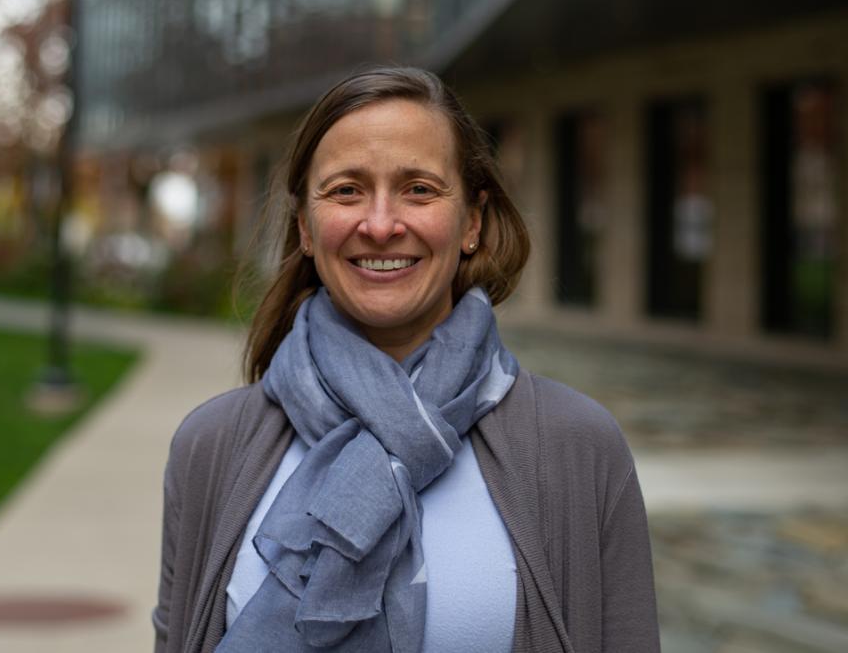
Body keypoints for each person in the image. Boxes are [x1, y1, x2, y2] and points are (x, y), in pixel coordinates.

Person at [153, 67, 660, 653]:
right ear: (306, 229)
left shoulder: (577, 446)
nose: (381, 224)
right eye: (346, 190)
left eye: (419, 188)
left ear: (471, 220)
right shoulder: (211, 446)